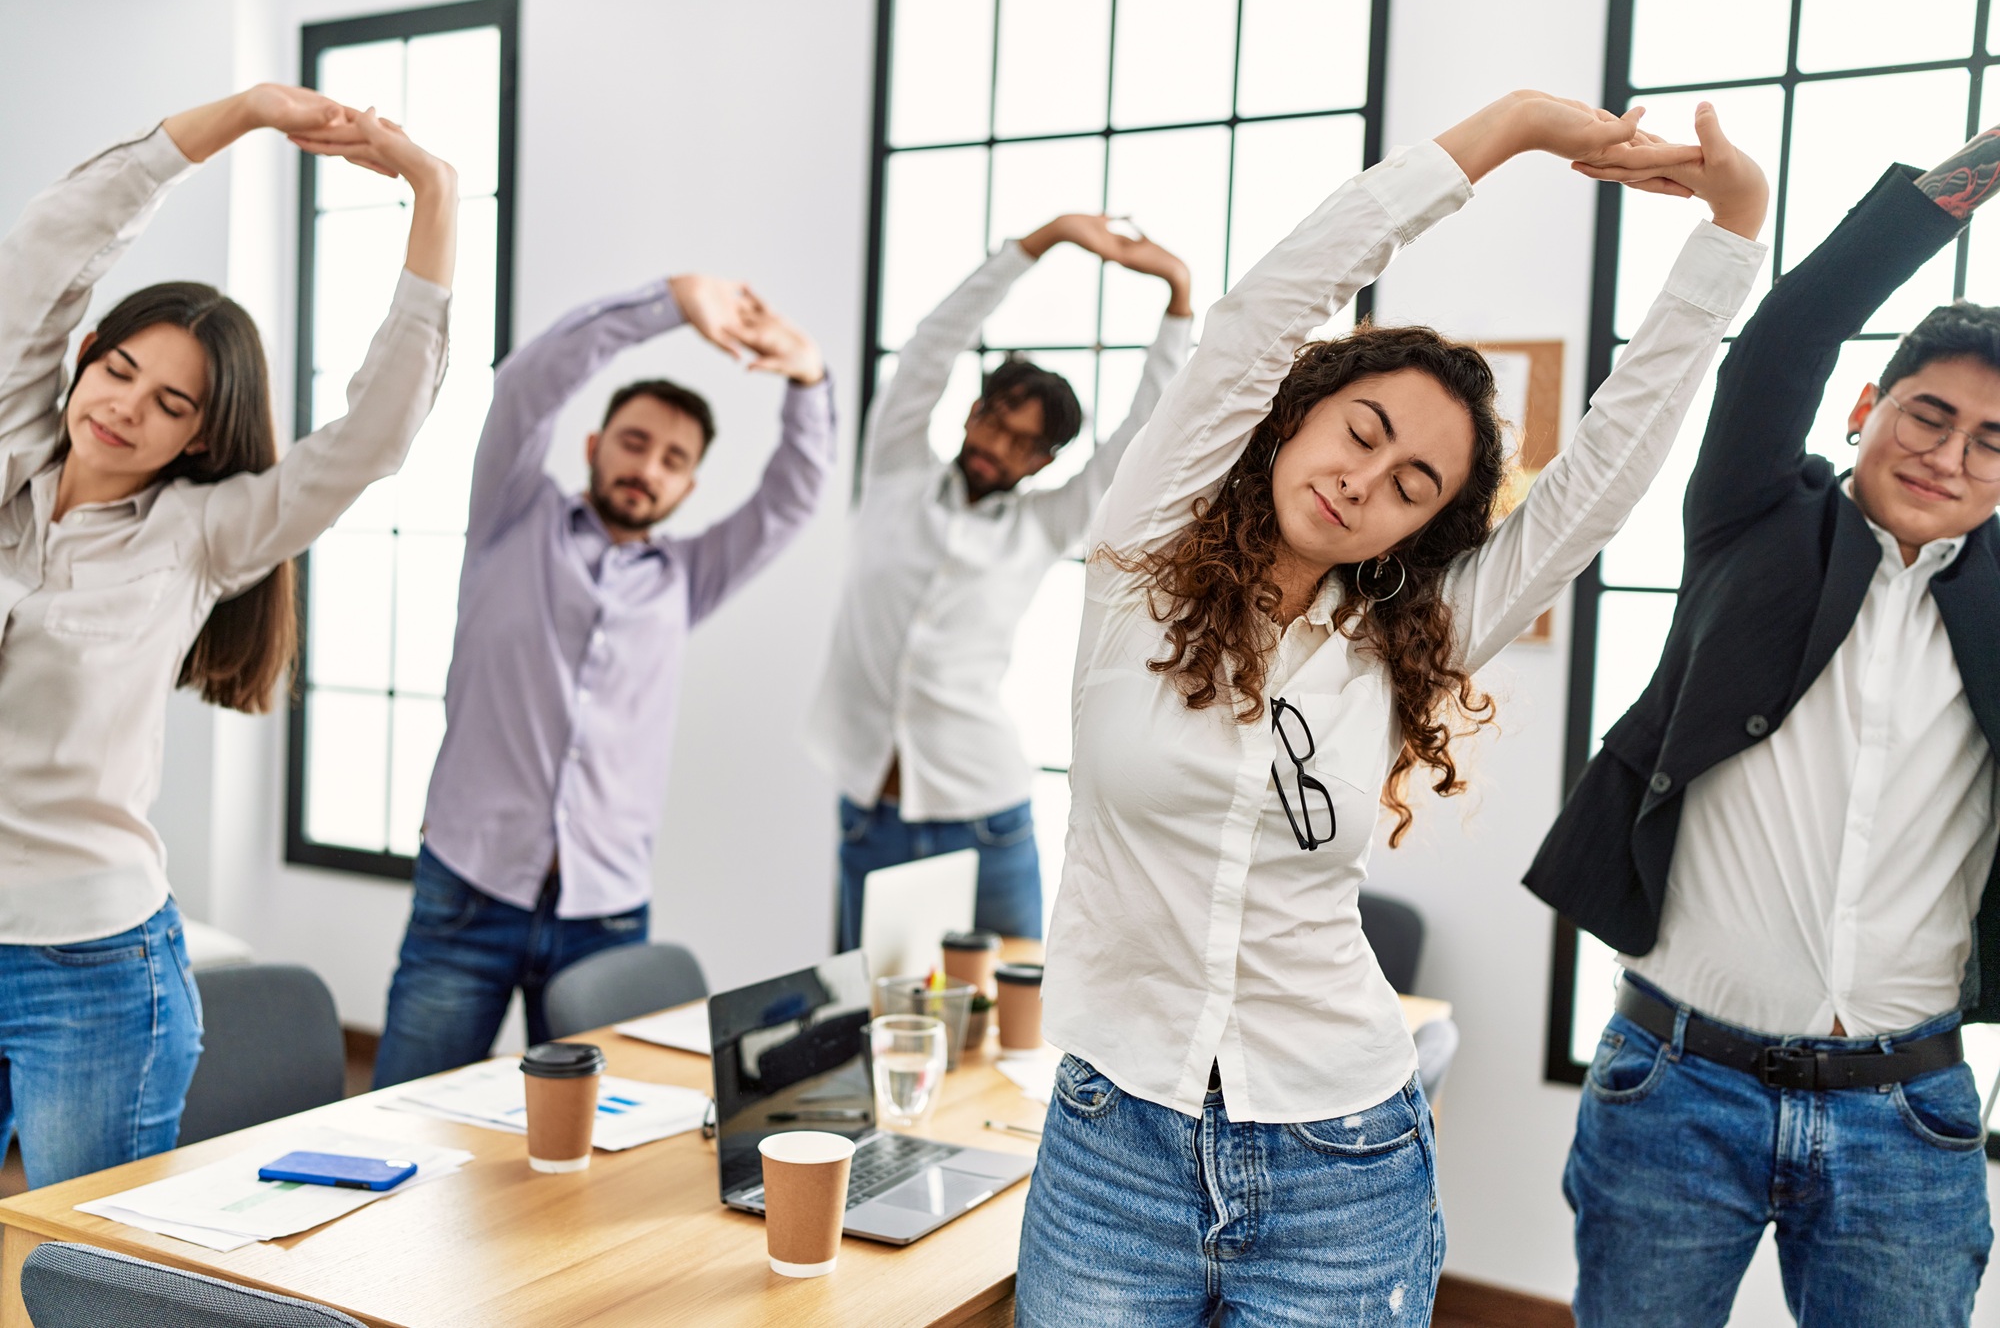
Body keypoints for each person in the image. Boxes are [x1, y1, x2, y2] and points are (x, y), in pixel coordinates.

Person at [1013, 91, 1769, 1325]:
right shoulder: (1137, 562)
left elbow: (1598, 479)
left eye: (1411, 484)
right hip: (1110, 1154)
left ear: (1420, 528)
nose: (1362, 481)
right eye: (1358, 432)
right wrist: (1512, 128)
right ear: (1291, 414)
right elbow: (1265, 307)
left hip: (1339, 1163)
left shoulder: (1398, 643)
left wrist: (1730, 231)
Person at [1530, 119, 2000, 1328]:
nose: (1947, 455)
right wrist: (1989, 159)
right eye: (1926, 414)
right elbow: (1792, 329)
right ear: (1864, 408)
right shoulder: (1754, 517)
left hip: (1906, 1113)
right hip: (1674, 1089)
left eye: (1989, 442)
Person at [0, 86, 457, 1186]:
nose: (125, 407)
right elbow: (51, 246)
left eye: (172, 403)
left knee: (73, 1261)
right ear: (86, 355)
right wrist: (243, 114)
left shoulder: (203, 534)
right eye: (119, 370)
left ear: (203, 437)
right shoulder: (11, 444)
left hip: (90, 967)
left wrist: (434, 190)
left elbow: (374, 433)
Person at [370, 272, 833, 1088]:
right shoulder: (512, 515)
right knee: (404, 1116)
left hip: (605, 915)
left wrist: (809, 380)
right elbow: (528, 382)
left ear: (689, 485)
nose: (647, 467)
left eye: (673, 459)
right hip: (470, 890)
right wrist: (670, 304)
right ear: (593, 445)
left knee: (602, 1143)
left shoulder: (687, 576)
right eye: (634, 441)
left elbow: (791, 497)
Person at [809, 214, 1193, 948]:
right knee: (881, 1008)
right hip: (870, 815)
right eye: (992, 421)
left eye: (1023, 443)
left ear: (1043, 463)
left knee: (1015, 1009)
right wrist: (1041, 242)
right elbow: (930, 348)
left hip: (986, 822)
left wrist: (1178, 295)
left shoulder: (1044, 525)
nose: (996, 446)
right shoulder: (894, 474)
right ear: (972, 412)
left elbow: (1143, 441)